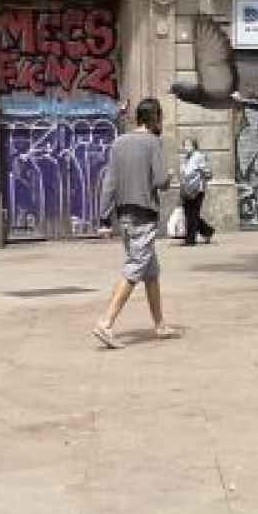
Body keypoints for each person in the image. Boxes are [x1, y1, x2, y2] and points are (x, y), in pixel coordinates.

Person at [92, 98, 178, 349]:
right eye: (161, 118)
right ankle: (105, 323)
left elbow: (109, 181)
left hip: (125, 216)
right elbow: (161, 180)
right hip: (144, 216)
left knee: (151, 272)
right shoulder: (153, 142)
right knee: (134, 268)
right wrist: (169, 177)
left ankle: (160, 324)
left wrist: (104, 218)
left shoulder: (119, 142)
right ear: (155, 118)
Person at [179, 138, 215, 246]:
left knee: (193, 214)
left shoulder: (199, 156)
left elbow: (206, 172)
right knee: (189, 214)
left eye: (189, 145)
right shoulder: (185, 158)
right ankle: (207, 231)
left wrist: (203, 176)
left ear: (194, 145)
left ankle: (190, 240)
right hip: (187, 189)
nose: (186, 147)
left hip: (197, 190)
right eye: (185, 145)